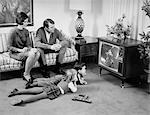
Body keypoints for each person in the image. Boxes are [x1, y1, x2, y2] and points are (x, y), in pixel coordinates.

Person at [8, 68, 79, 106]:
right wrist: (75, 82)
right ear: (73, 77)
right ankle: (23, 101)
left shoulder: (63, 78)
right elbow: (74, 90)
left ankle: (18, 91)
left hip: (52, 86)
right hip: (55, 90)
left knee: (36, 90)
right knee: (39, 96)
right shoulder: (70, 84)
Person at [8, 12, 40, 83]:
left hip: (24, 51)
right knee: (31, 54)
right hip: (15, 53)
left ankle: (27, 72)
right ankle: (26, 74)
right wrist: (20, 50)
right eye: (25, 21)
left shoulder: (26, 31)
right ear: (20, 22)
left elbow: (28, 44)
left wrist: (30, 48)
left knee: (37, 53)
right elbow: (9, 47)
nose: (27, 23)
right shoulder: (13, 32)